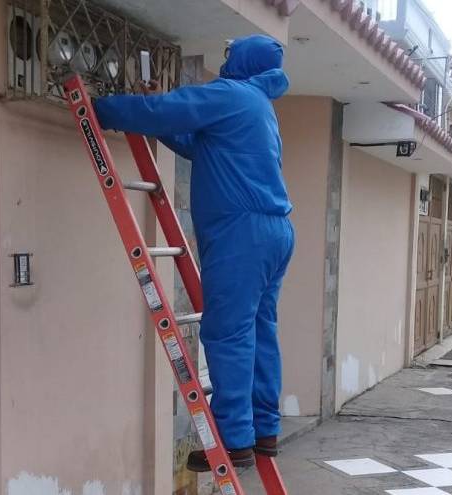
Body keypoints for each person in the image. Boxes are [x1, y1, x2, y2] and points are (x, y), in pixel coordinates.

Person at [93, 34, 295, 472]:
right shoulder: (259, 105)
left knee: (228, 333)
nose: (225, 59)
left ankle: (234, 440)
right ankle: (262, 430)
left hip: (242, 232)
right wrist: (157, 123)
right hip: (274, 231)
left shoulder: (232, 94)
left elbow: (167, 111)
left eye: (230, 53)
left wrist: (102, 108)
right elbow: (196, 142)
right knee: (259, 332)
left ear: (243, 59)